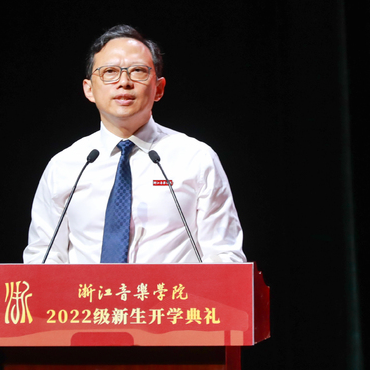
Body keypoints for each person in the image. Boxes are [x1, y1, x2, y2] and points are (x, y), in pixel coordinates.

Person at [23, 25, 246, 264]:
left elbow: (224, 256)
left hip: (172, 290)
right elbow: (42, 259)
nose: (124, 82)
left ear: (159, 88)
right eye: (109, 71)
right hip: (88, 290)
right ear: (89, 89)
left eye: (138, 71)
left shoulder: (196, 158)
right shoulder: (65, 165)